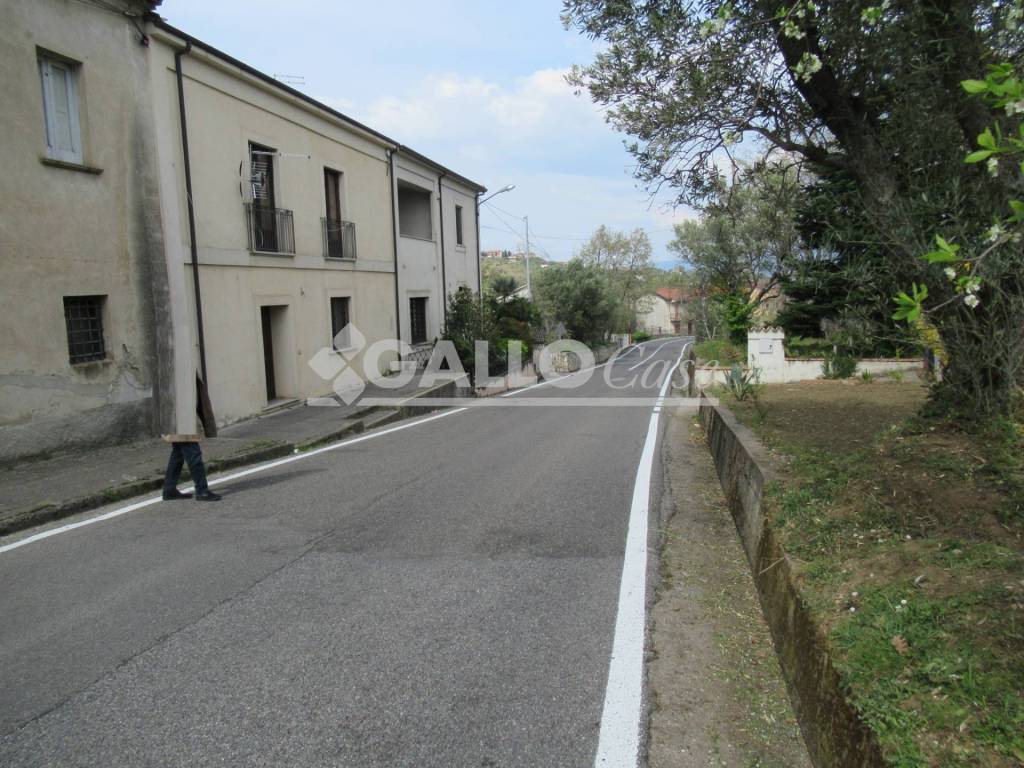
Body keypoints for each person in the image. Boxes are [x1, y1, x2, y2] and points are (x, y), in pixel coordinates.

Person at [162, 374, 222, 502]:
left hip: (177, 415)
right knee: (193, 453)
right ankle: (202, 490)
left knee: (178, 453)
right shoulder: (178, 364)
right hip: (181, 416)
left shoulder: (177, 364)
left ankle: (169, 489)